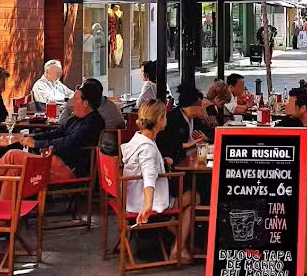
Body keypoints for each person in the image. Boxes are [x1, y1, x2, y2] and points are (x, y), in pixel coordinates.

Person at [0, 80, 105, 206]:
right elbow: (56, 132)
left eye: (75, 99)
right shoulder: (76, 118)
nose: (72, 103)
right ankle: (1, 221)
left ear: (85, 103)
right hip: (53, 162)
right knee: (13, 171)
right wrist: (32, 137)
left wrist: (36, 144)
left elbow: (68, 142)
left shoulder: (93, 122)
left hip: (68, 170)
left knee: (12, 156)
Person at [121, 100, 196, 260]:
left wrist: (161, 160)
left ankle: (179, 240)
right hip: (145, 202)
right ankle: (178, 248)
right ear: (161, 119)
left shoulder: (138, 139)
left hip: (130, 197)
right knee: (194, 198)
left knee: (184, 198)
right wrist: (148, 206)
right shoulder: (148, 148)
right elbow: (149, 178)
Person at [59, 77, 125, 155]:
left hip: (100, 150)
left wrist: (70, 103)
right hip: (116, 148)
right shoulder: (110, 104)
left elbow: (63, 122)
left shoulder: (92, 109)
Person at [156, 84, 208, 166]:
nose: (202, 107)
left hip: (193, 155)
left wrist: (205, 138)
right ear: (190, 105)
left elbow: (206, 135)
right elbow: (166, 142)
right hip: (177, 159)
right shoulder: (172, 118)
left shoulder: (196, 119)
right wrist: (189, 144)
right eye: (199, 105)